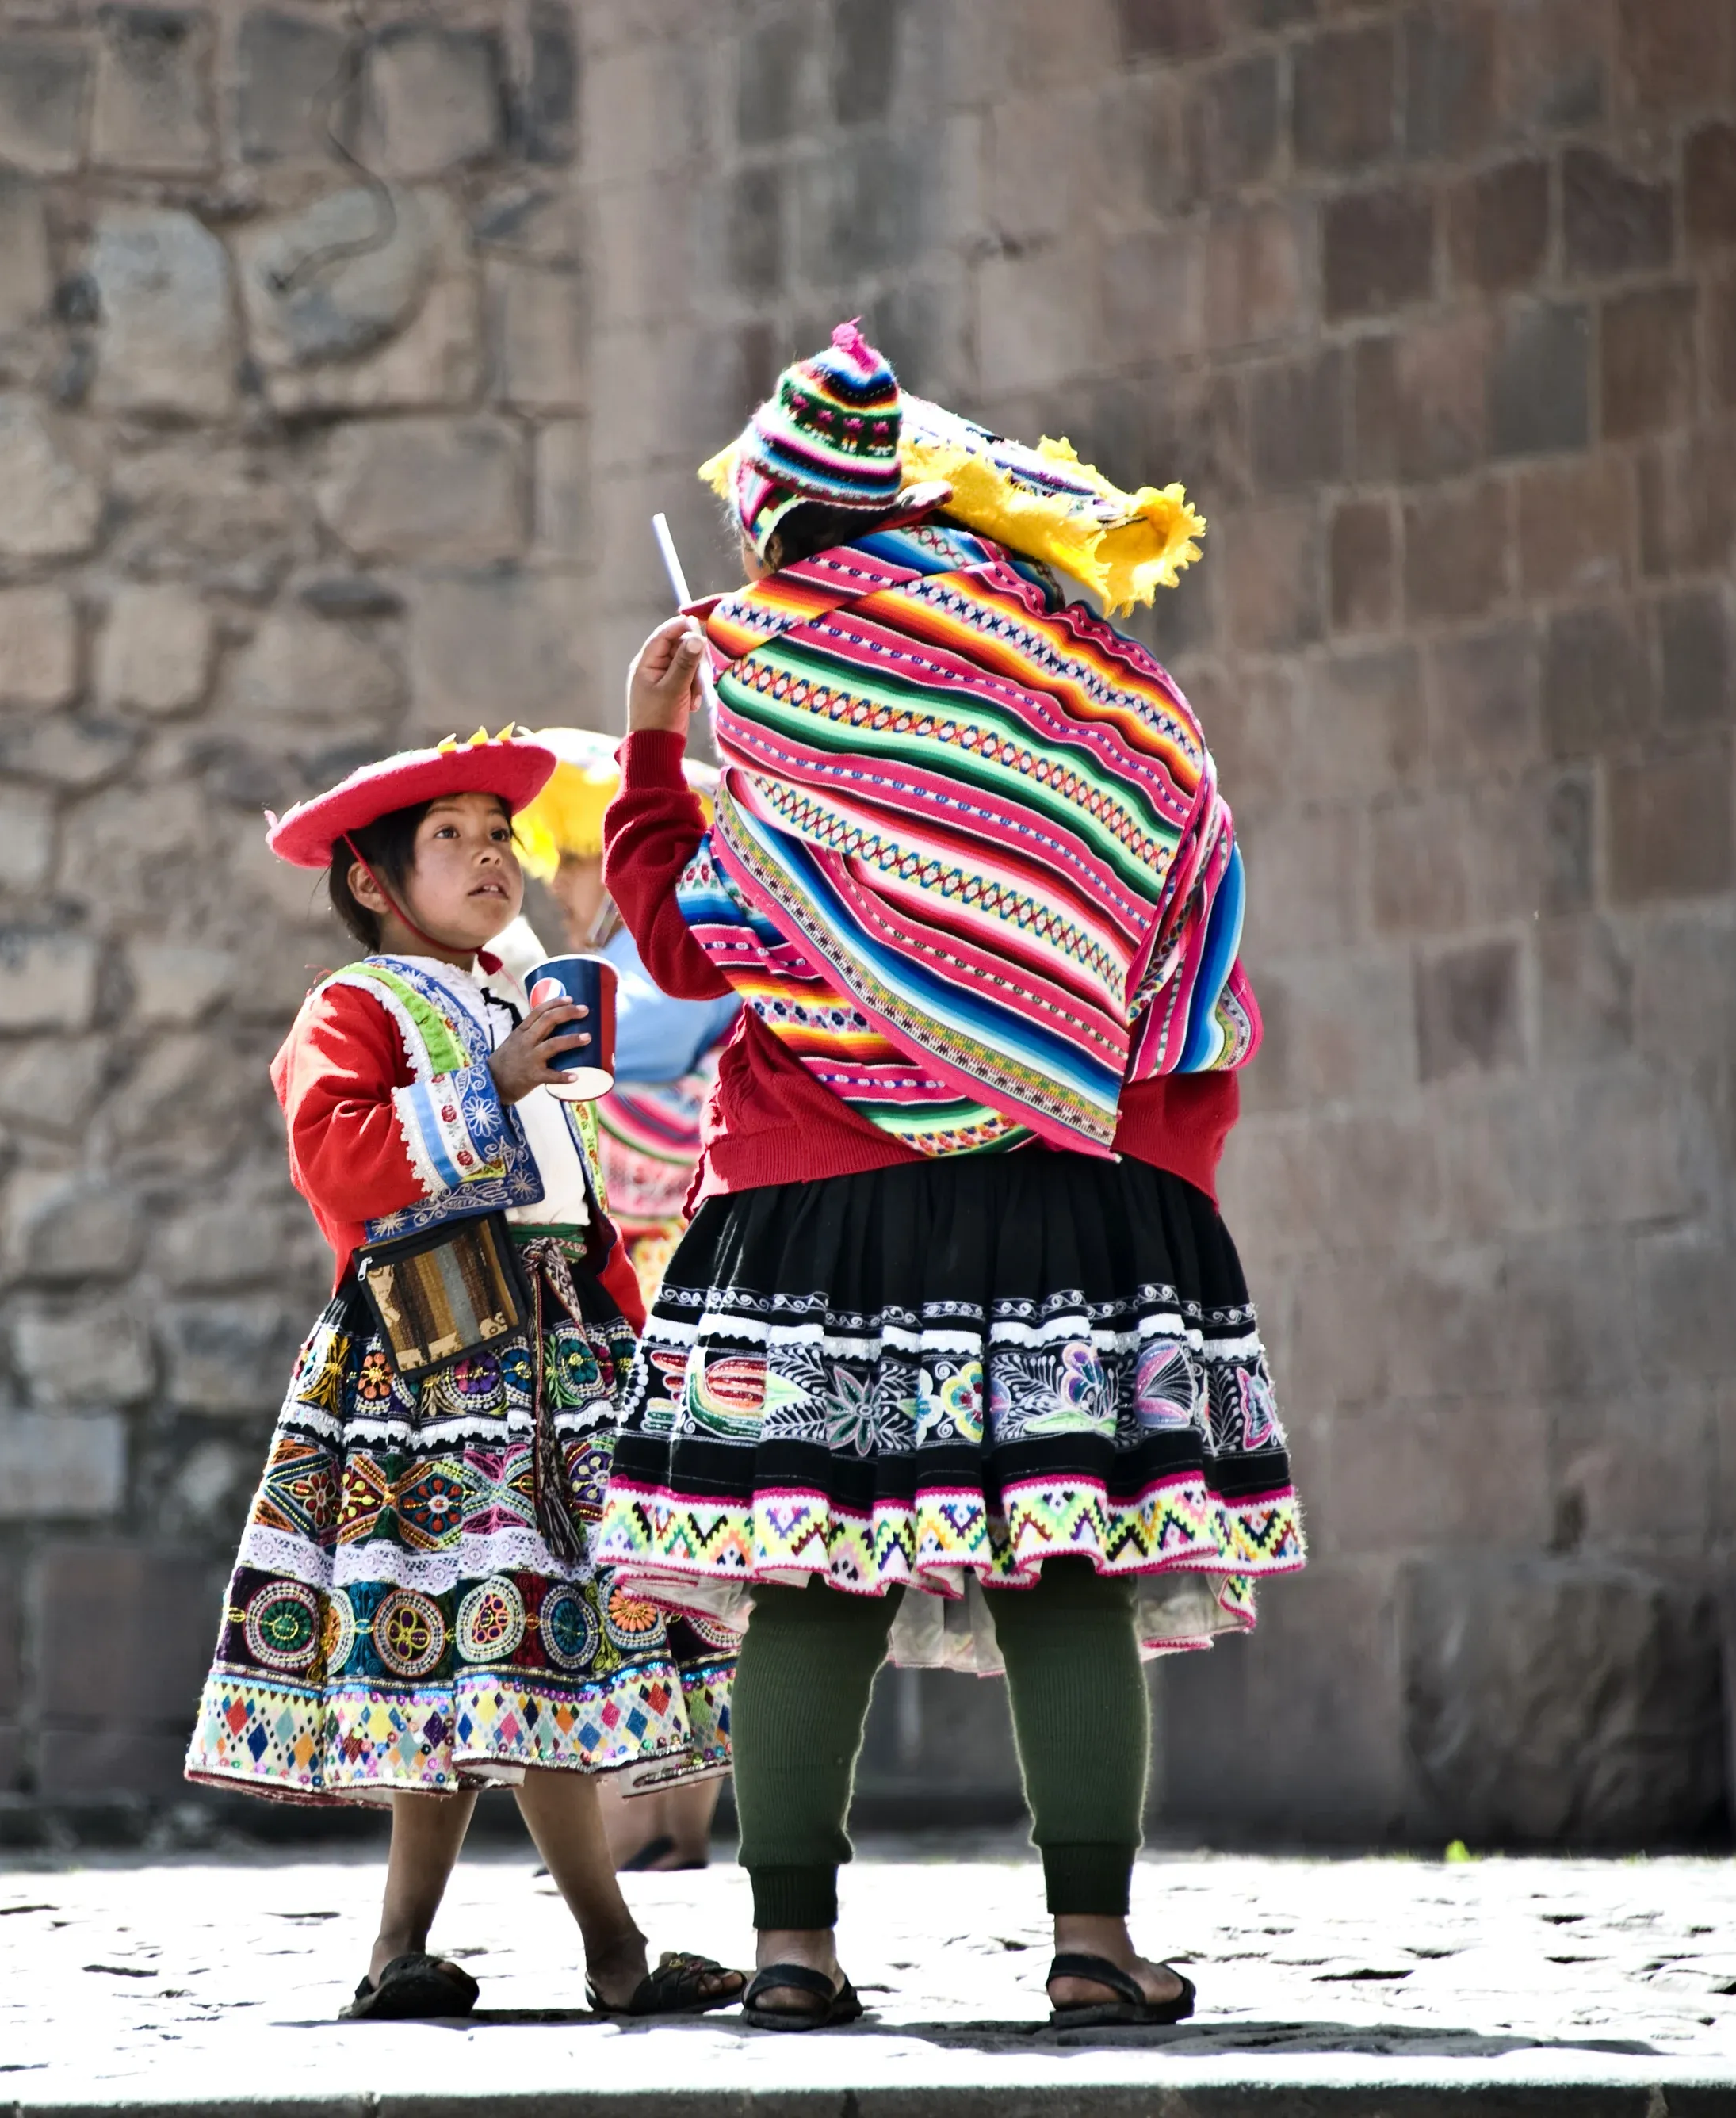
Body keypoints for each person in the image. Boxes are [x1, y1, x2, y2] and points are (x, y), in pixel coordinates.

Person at [593, 324, 1305, 2031]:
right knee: (1066, 1563)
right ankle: (1092, 1945)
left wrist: (647, 758)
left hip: (803, 1215)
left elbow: (688, 953)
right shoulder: (1091, 679)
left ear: (769, 516)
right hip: (1063, 1190)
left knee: (805, 1565)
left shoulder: (748, 671)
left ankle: (789, 1950)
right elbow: (1185, 905)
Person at [182, 730, 743, 2021]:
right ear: (377, 882)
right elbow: (336, 1155)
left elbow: (570, 1192)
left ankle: (400, 1954)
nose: (494, 853)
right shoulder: (358, 1008)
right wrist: (490, 1084)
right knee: (508, 1645)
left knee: (475, 1661)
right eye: (453, 837)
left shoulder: (523, 987)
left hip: (558, 1353)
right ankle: (614, 1951)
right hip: (438, 1365)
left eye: (501, 833)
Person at [507, 730, 737, 1874]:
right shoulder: (650, 970)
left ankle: (642, 1832)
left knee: (630, 1565)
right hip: (678, 1316)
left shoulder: (636, 981)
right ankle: (669, 1829)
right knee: (688, 1571)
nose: (564, 885)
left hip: (649, 1318)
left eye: (584, 859)